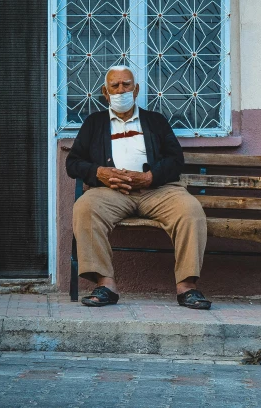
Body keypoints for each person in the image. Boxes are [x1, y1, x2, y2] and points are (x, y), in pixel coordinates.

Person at [66, 66, 211, 310]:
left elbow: (176, 159)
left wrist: (149, 177)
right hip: (111, 192)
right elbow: (73, 163)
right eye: (115, 86)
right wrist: (99, 172)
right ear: (105, 91)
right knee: (85, 207)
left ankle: (187, 288)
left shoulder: (155, 121)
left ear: (137, 90)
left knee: (190, 210)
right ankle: (106, 285)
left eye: (127, 85)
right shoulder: (94, 123)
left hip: (157, 191)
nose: (121, 90)